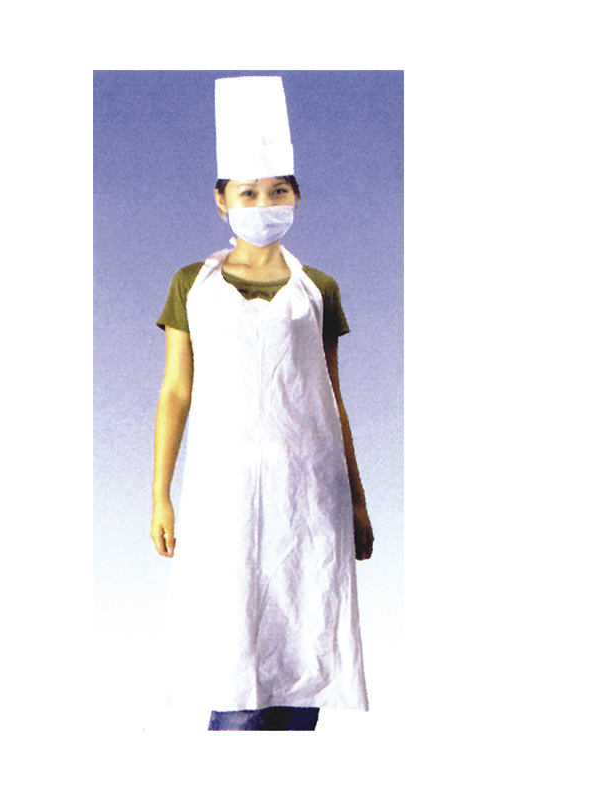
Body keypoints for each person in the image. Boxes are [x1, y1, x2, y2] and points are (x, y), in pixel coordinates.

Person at [150, 76, 373, 731]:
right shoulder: (192, 285)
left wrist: (357, 500)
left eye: (278, 191)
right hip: (223, 489)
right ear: (221, 201)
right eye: (248, 192)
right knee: (232, 652)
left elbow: (332, 399)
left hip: (310, 490)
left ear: (296, 197)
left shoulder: (317, 288)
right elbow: (176, 391)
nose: (264, 203)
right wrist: (160, 495)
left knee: (304, 644)